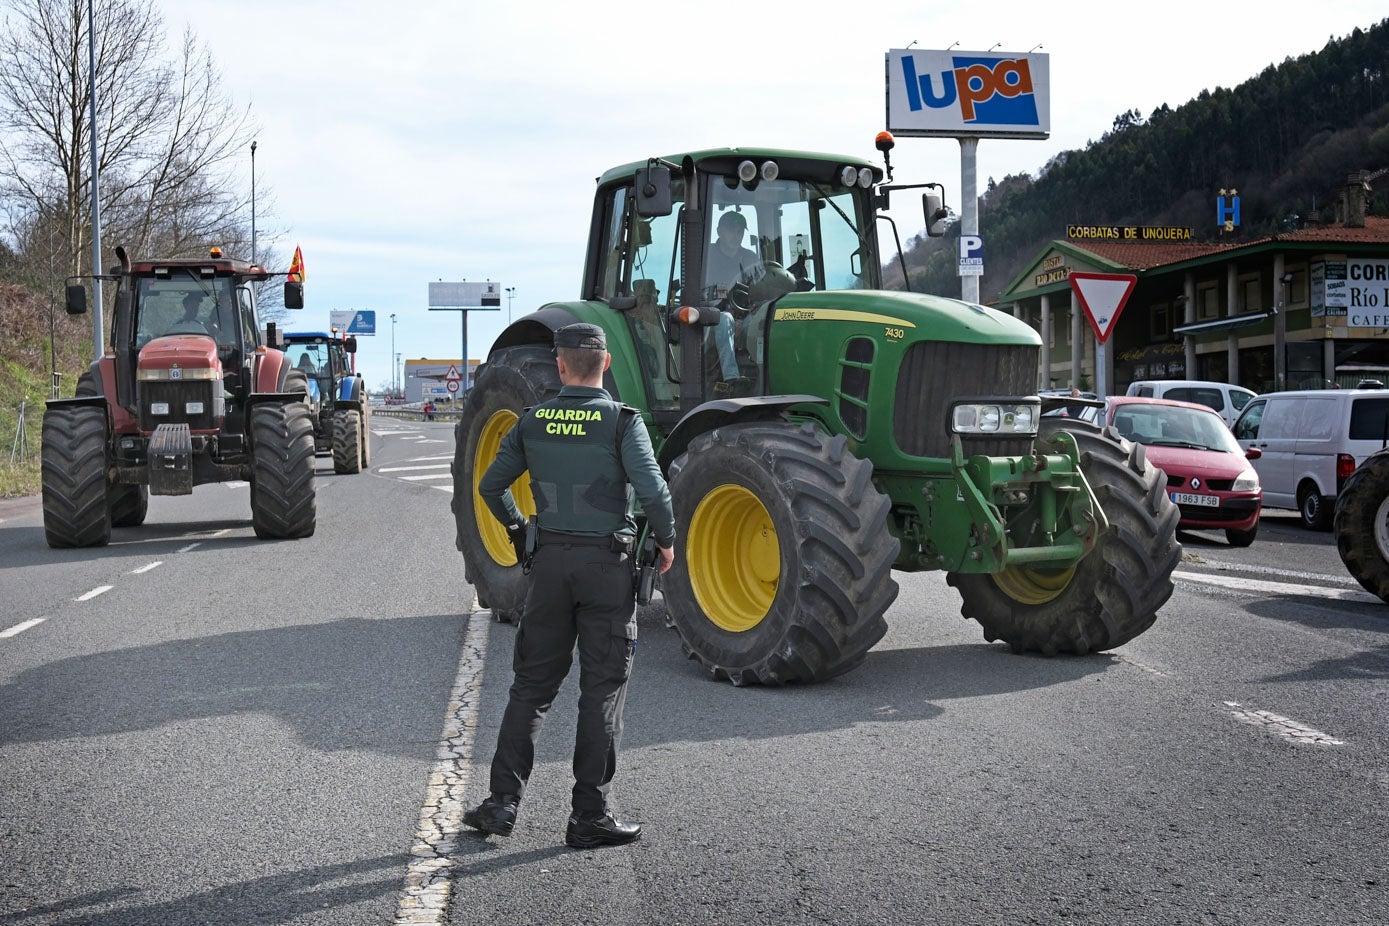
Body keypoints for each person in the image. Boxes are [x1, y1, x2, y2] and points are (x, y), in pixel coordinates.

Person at [465, 322, 676, 849]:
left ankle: (500, 805)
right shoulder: (623, 422)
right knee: (601, 691)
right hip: (607, 569)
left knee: (531, 689)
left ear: (559, 365)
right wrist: (665, 542)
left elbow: (490, 484)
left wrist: (520, 531)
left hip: (549, 566)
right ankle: (588, 816)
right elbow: (653, 490)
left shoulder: (534, 421)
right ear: (604, 365)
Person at [704, 210, 760, 395]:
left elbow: (763, 287)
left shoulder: (751, 258)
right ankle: (733, 378)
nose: (737, 235)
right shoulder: (705, 256)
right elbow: (698, 291)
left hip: (747, 318)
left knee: (765, 320)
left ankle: (767, 378)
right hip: (711, 320)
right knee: (724, 318)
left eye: (740, 231)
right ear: (719, 231)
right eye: (731, 230)